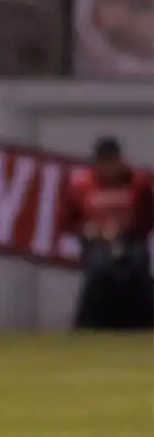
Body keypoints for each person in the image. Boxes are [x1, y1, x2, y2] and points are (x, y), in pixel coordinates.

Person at [61, 137, 153, 330]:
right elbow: (67, 220)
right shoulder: (80, 185)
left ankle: (144, 324)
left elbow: (148, 218)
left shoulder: (138, 184)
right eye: (104, 162)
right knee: (99, 269)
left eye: (113, 161)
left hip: (131, 240)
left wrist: (127, 228)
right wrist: (89, 230)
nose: (109, 167)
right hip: (97, 243)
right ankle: (90, 326)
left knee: (137, 267)